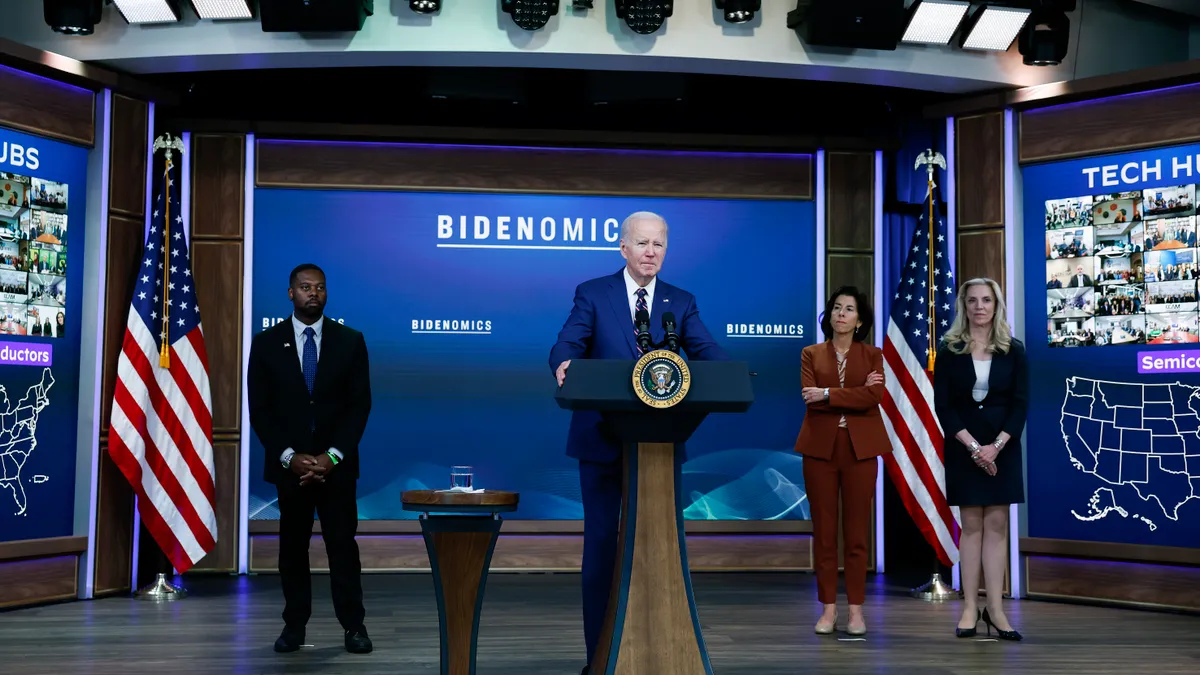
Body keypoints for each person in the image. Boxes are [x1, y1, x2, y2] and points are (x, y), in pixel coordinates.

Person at [548, 211, 728, 675]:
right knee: (602, 550)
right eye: (643, 244)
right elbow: (568, 342)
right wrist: (565, 362)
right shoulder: (593, 293)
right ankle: (600, 659)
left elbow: (707, 353)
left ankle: (659, 653)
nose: (651, 252)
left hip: (659, 448)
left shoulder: (680, 301)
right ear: (623, 247)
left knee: (657, 549)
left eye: (659, 245)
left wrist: (728, 375)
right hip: (602, 443)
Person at [247, 263, 374, 654]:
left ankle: (354, 627)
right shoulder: (267, 343)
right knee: (292, 551)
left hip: (335, 468)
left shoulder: (350, 341)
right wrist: (290, 457)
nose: (313, 293)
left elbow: (359, 406)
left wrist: (331, 457)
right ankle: (294, 627)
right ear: (291, 293)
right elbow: (260, 410)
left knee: (342, 548)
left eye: (319, 287)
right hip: (292, 471)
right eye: (305, 287)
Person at [933, 277, 1027, 642]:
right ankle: (970, 607)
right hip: (963, 447)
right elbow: (945, 406)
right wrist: (974, 448)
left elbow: (1020, 405)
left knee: (998, 526)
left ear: (996, 305)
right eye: (972, 300)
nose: (979, 307)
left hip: (1003, 448)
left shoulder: (1013, 349)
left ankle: (997, 610)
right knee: (971, 526)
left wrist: (996, 447)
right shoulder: (950, 348)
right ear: (964, 306)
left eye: (986, 300)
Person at [794, 286, 889, 636]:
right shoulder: (811, 354)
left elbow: (873, 396)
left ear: (859, 321)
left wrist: (829, 393)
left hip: (860, 451)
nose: (840, 314)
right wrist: (852, 394)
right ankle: (828, 609)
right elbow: (810, 398)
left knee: (856, 533)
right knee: (824, 532)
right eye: (836, 308)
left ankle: (856, 612)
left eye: (849, 309)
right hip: (820, 450)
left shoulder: (873, 355)